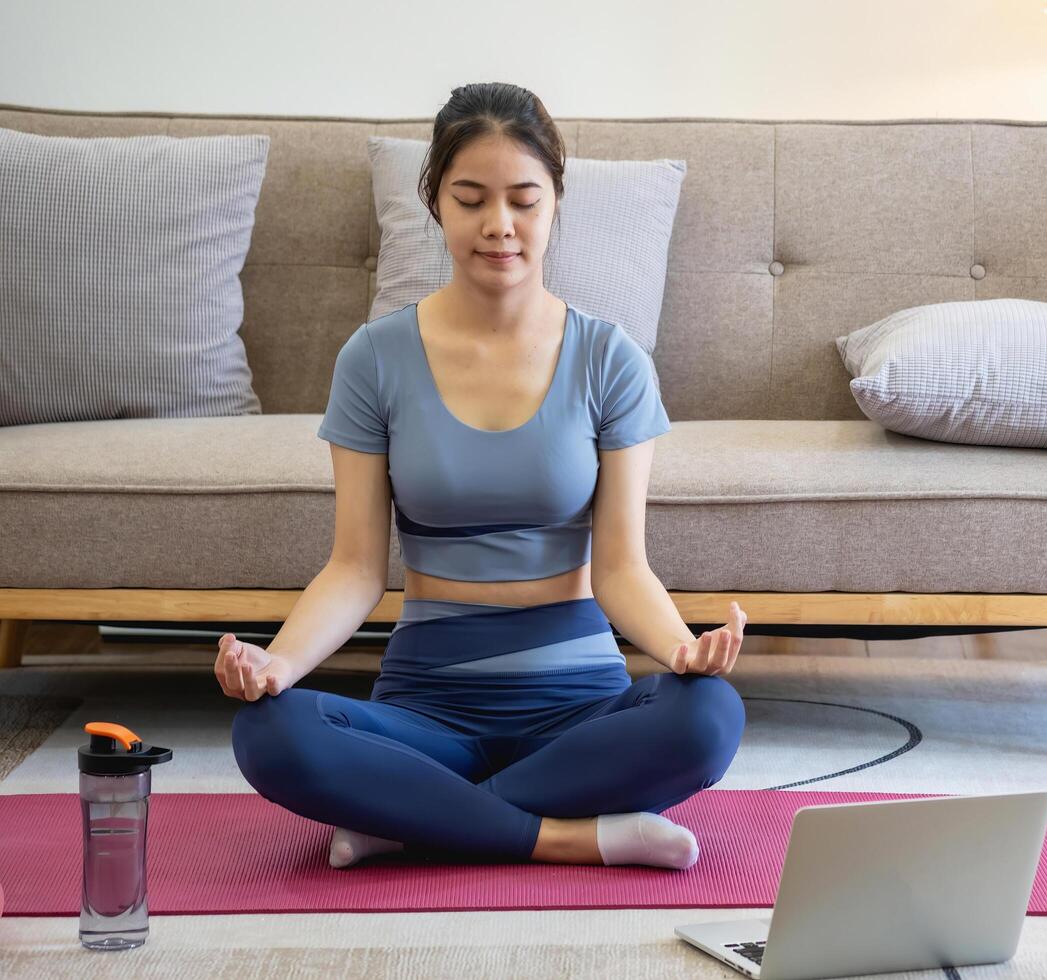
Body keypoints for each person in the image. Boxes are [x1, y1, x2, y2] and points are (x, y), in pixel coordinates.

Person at [217, 81, 746, 871]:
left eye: (524, 200)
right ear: (436, 203)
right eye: (471, 199)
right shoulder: (374, 359)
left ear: (556, 202)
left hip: (580, 713)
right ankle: (575, 834)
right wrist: (277, 665)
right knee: (267, 731)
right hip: (428, 713)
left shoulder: (611, 360)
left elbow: (623, 568)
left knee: (709, 717)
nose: (499, 225)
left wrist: (680, 652)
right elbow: (357, 568)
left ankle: (415, 818)